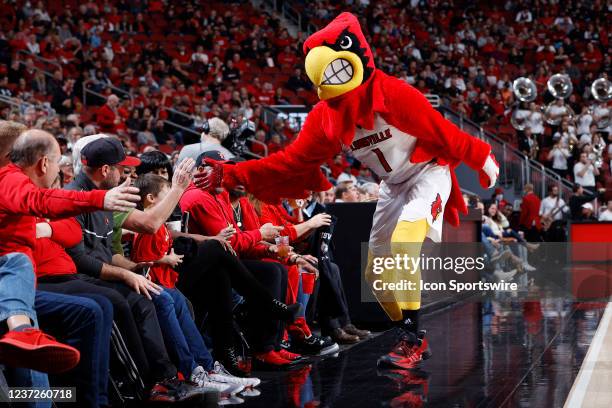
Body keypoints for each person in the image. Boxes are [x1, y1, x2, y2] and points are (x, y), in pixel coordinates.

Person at [197, 13, 499, 371]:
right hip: (393, 186)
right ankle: (408, 333)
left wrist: (482, 157)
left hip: (428, 172)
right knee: (377, 277)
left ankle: (413, 340)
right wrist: (233, 174)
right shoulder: (325, 117)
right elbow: (289, 161)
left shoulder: (393, 92)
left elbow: (441, 129)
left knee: (403, 247)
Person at [65, 137, 208, 402]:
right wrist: (126, 274)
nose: (127, 175)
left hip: (100, 272)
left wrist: (135, 267)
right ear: (105, 170)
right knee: (143, 300)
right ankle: (156, 381)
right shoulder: (77, 197)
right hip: (82, 278)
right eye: (123, 169)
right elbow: (82, 261)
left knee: (168, 297)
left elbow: (109, 253)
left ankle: (195, 370)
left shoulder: (106, 197)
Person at [0, 126, 139, 374]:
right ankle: (22, 331)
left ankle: (24, 332)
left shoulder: (21, 186)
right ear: (44, 164)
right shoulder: (12, 180)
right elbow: (42, 203)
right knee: (18, 261)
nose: (59, 171)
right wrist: (99, 199)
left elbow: (71, 232)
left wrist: (50, 229)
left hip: (28, 290)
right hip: (31, 285)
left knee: (32, 381)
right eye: (56, 163)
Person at [131, 174, 260, 391]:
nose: (173, 197)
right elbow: (140, 259)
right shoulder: (146, 225)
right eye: (167, 193)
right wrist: (165, 259)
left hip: (166, 282)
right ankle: (192, 371)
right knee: (170, 299)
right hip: (151, 281)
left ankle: (208, 368)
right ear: (152, 198)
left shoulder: (159, 223)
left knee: (183, 300)